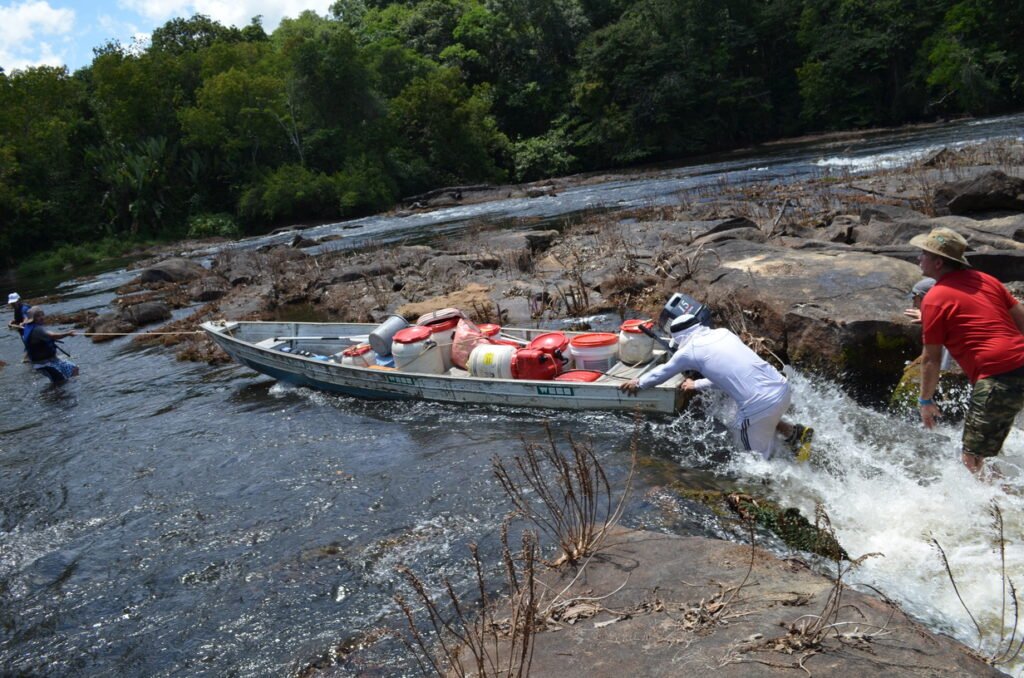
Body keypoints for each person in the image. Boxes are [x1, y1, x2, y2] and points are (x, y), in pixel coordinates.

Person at [619, 309, 813, 461]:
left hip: (761, 407)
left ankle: (774, 486)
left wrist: (639, 383)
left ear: (679, 339)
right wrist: (695, 384)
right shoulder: (723, 333)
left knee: (752, 458)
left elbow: (662, 372)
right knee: (759, 413)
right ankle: (794, 433)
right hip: (782, 389)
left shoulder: (688, 351)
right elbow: (728, 375)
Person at [911, 227, 1024, 475]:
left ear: (938, 262)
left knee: (972, 460)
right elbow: (1021, 321)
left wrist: (925, 400)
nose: (919, 258)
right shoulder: (986, 280)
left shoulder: (934, 297)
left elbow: (931, 358)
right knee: (989, 451)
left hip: (997, 376)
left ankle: (998, 510)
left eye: (923, 254)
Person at [20, 306, 79, 384]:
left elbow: (45, 337)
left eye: (42, 315)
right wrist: (67, 333)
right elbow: (52, 335)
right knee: (60, 381)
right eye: (38, 316)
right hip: (43, 364)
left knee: (74, 369)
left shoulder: (32, 326)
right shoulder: (37, 329)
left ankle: (72, 388)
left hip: (53, 360)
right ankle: (56, 394)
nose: (41, 317)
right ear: (33, 319)